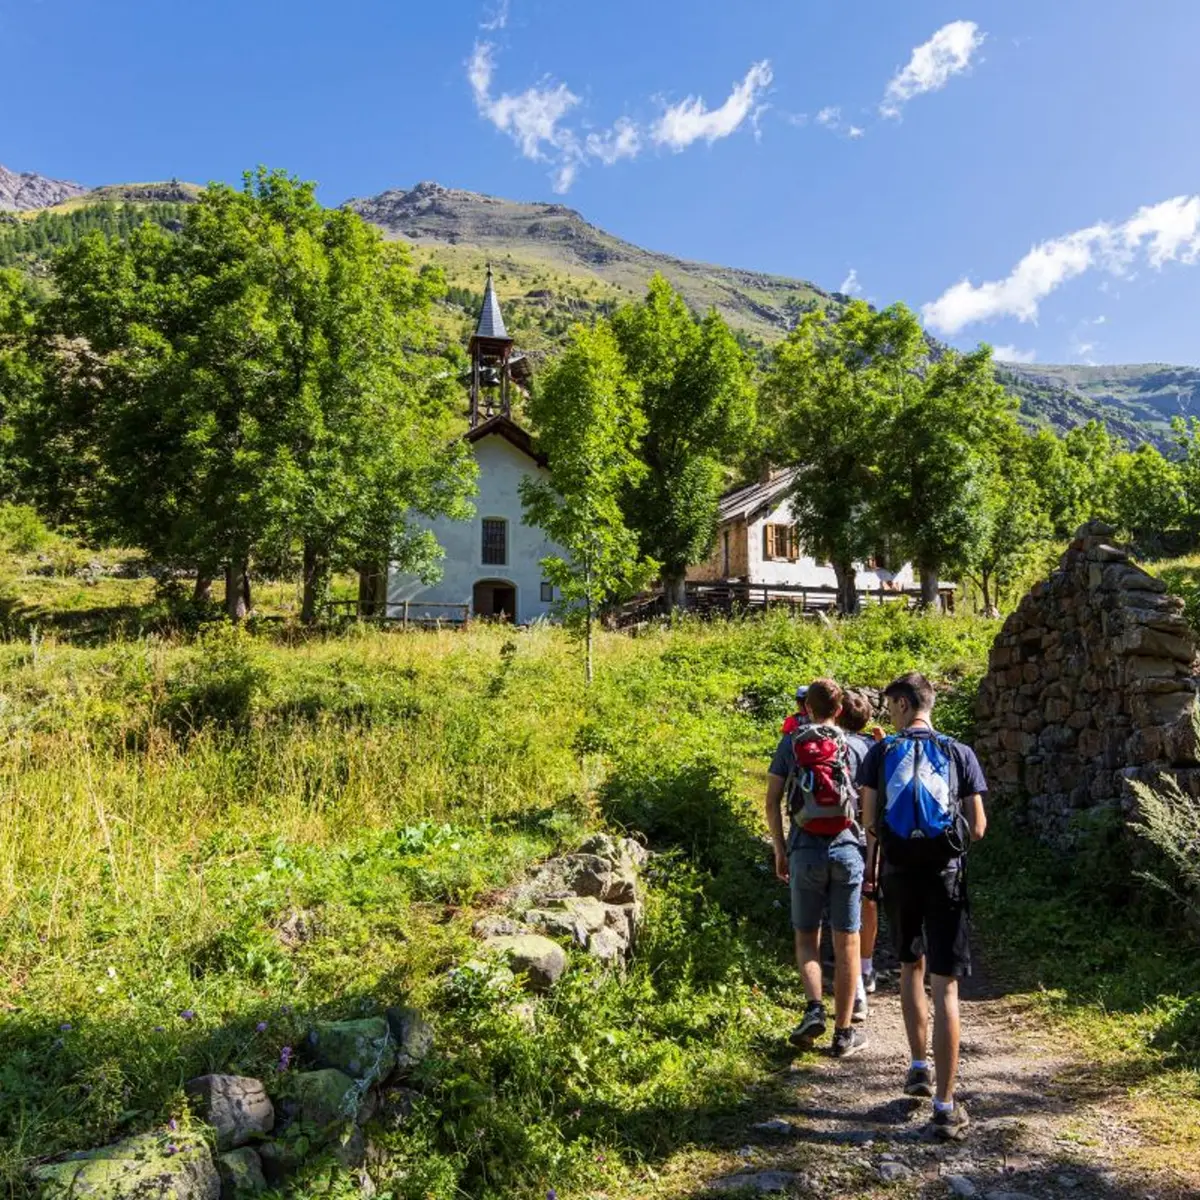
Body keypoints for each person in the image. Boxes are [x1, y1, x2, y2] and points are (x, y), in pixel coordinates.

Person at [859, 672, 988, 1141]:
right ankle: (946, 1106)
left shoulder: (881, 753)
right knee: (947, 988)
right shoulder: (959, 752)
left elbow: (870, 821)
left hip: (898, 876)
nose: (887, 711)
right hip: (946, 877)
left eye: (889, 704)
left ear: (901, 704)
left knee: (911, 968)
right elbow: (977, 827)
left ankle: (918, 1065)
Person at [766, 678, 868, 1059]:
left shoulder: (792, 743)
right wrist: (872, 854)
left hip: (804, 849)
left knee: (807, 937)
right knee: (848, 942)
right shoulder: (857, 747)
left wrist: (780, 848)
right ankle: (843, 1033)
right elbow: (869, 807)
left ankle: (813, 1008)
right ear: (840, 710)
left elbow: (772, 800)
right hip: (847, 850)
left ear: (806, 708)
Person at [836, 690, 880, 1017]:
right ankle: (865, 968)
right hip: (872, 836)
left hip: (839, 834)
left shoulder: (831, 744)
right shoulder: (875, 749)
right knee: (868, 901)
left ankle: (854, 987)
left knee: (842, 910)